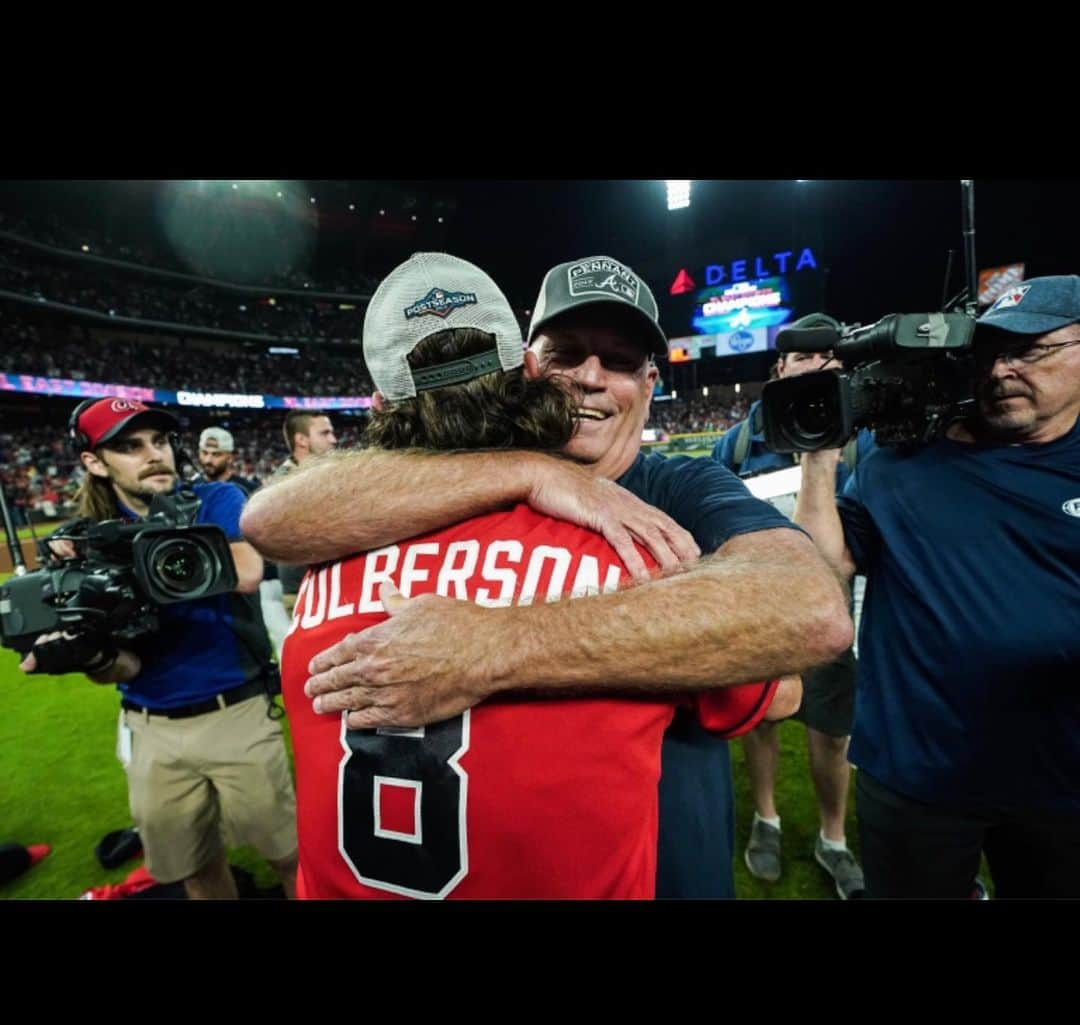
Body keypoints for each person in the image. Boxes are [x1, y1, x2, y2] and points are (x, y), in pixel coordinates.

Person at [243, 254, 853, 899]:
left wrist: (496, 644)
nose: (591, 378)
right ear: (527, 369)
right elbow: (268, 518)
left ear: (652, 381)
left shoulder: (684, 484)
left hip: (674, 854)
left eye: (619, 361)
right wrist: (534, 473)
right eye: (568, 353)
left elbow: (807, 618)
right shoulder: (601, 556)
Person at [794, 275, 1080, 898]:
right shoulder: (902, 462)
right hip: (915, 772)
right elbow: (823, 566)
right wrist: (819, 453)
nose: (1002, 368)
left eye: (1031, 350)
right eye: (988, 352)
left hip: (1061, 775)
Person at [19, 397, 298, 900]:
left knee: (289, 855)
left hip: (236, 711)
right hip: (148, 726)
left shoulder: (214, 499)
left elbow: (247, 571)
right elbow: (121, 669)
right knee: (194, 868)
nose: (154, 455)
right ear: (94, 462)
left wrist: (128, 563)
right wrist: (88, 652)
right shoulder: (88, 543)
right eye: (129, 446)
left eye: (160, 441)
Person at [714, 313, 874, 899]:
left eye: (828, 361)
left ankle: (832, 838)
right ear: (780, 369)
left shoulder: (864, 445)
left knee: (834, 738)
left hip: (835, 621)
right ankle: (767, 818)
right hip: (759, 621)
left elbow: (854, 556)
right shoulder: (733, 444)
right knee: (758, 724)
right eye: (803, 359)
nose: (815, 369)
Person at [198, 424, 291, 658]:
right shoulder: (193, 493)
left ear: (231, 457)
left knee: (278, 639)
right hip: (216, 582)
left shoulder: (248, 490)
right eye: (204, 453)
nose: (208, 460)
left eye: (216, 454)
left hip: (259, 579)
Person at [273, 411, 338, 620]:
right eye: (324, 433)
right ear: (301, 439)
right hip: (305, 592)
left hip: (325, 586)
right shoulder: (285, 483)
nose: (333, 440)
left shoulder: (318, 475)